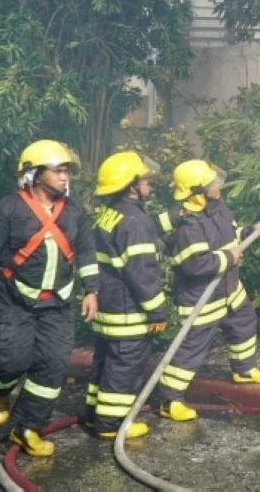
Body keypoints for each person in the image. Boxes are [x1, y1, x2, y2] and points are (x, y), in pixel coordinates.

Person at [0, 140, 100, 457]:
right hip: (17, 302)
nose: (65, 177)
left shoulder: (74, 211)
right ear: (35, 174)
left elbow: (86, 252)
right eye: (58, 171)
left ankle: (27, 428)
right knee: (12, 359)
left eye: (66, 171)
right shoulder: (8, 210)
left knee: (52, 367)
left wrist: (92, 289)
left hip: (59, 304)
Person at [154, 159, 260, 422]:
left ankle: (243, 370)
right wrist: (230, 258)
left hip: (229, 286)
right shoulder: (189, 226)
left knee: (244, 322)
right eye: (210, 183)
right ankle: (169, 400)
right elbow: (196, 266)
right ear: (195, 192)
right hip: (202, 296)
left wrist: (251, 230)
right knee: (192, 349)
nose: (217, 185)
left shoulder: (218, 209)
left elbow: (231, 237)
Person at [84, 151, 169, 440]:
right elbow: (142, 274)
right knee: (124, 366)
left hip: (107, 307)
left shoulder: (108, 214)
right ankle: (111, 423)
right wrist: (158, 312)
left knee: (105, 362)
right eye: (144, 179)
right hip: (128, 312)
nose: (148, 184)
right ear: (132, 185)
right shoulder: (135, 222)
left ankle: (94, 414)